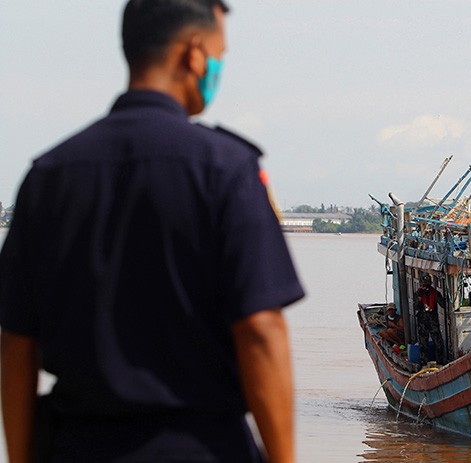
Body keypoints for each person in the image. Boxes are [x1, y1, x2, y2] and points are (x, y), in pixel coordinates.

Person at [0, 1, 304, 462]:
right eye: (221, 53)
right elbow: (261, 331)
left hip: (75, 447)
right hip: (201, 447)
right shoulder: (225, 170)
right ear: (194, 54)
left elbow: (16, 343)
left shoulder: (49, 175)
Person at [414, 273, 445, 363]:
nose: (426, 285)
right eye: (424, 283)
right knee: (423, 344)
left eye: (428, 283)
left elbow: (442, 304)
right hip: (422, 322)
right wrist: (419, 298)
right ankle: (424, 361)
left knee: (438, 343)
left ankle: (440, 361)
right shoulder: (418, 293)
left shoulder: (435, 293)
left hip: (433, 321)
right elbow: (416, 307)